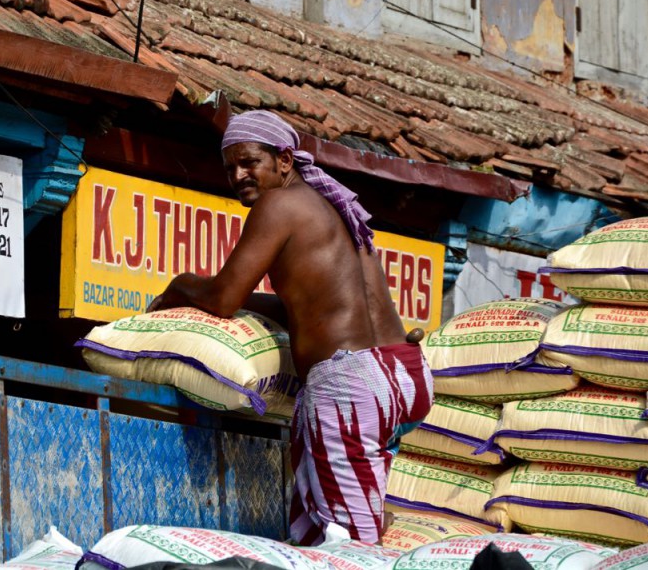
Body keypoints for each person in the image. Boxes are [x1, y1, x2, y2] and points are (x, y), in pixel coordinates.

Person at [147, 110, 433, 545]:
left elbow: (224, 298)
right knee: (336, 528)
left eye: (249, 163)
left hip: (351, 385)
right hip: (404, 374)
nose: (239, 175)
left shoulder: (277, 205)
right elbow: (305, 304)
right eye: (230, 168)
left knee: (350, 548)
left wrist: (177, 288)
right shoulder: (332, 209)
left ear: (284, 160)